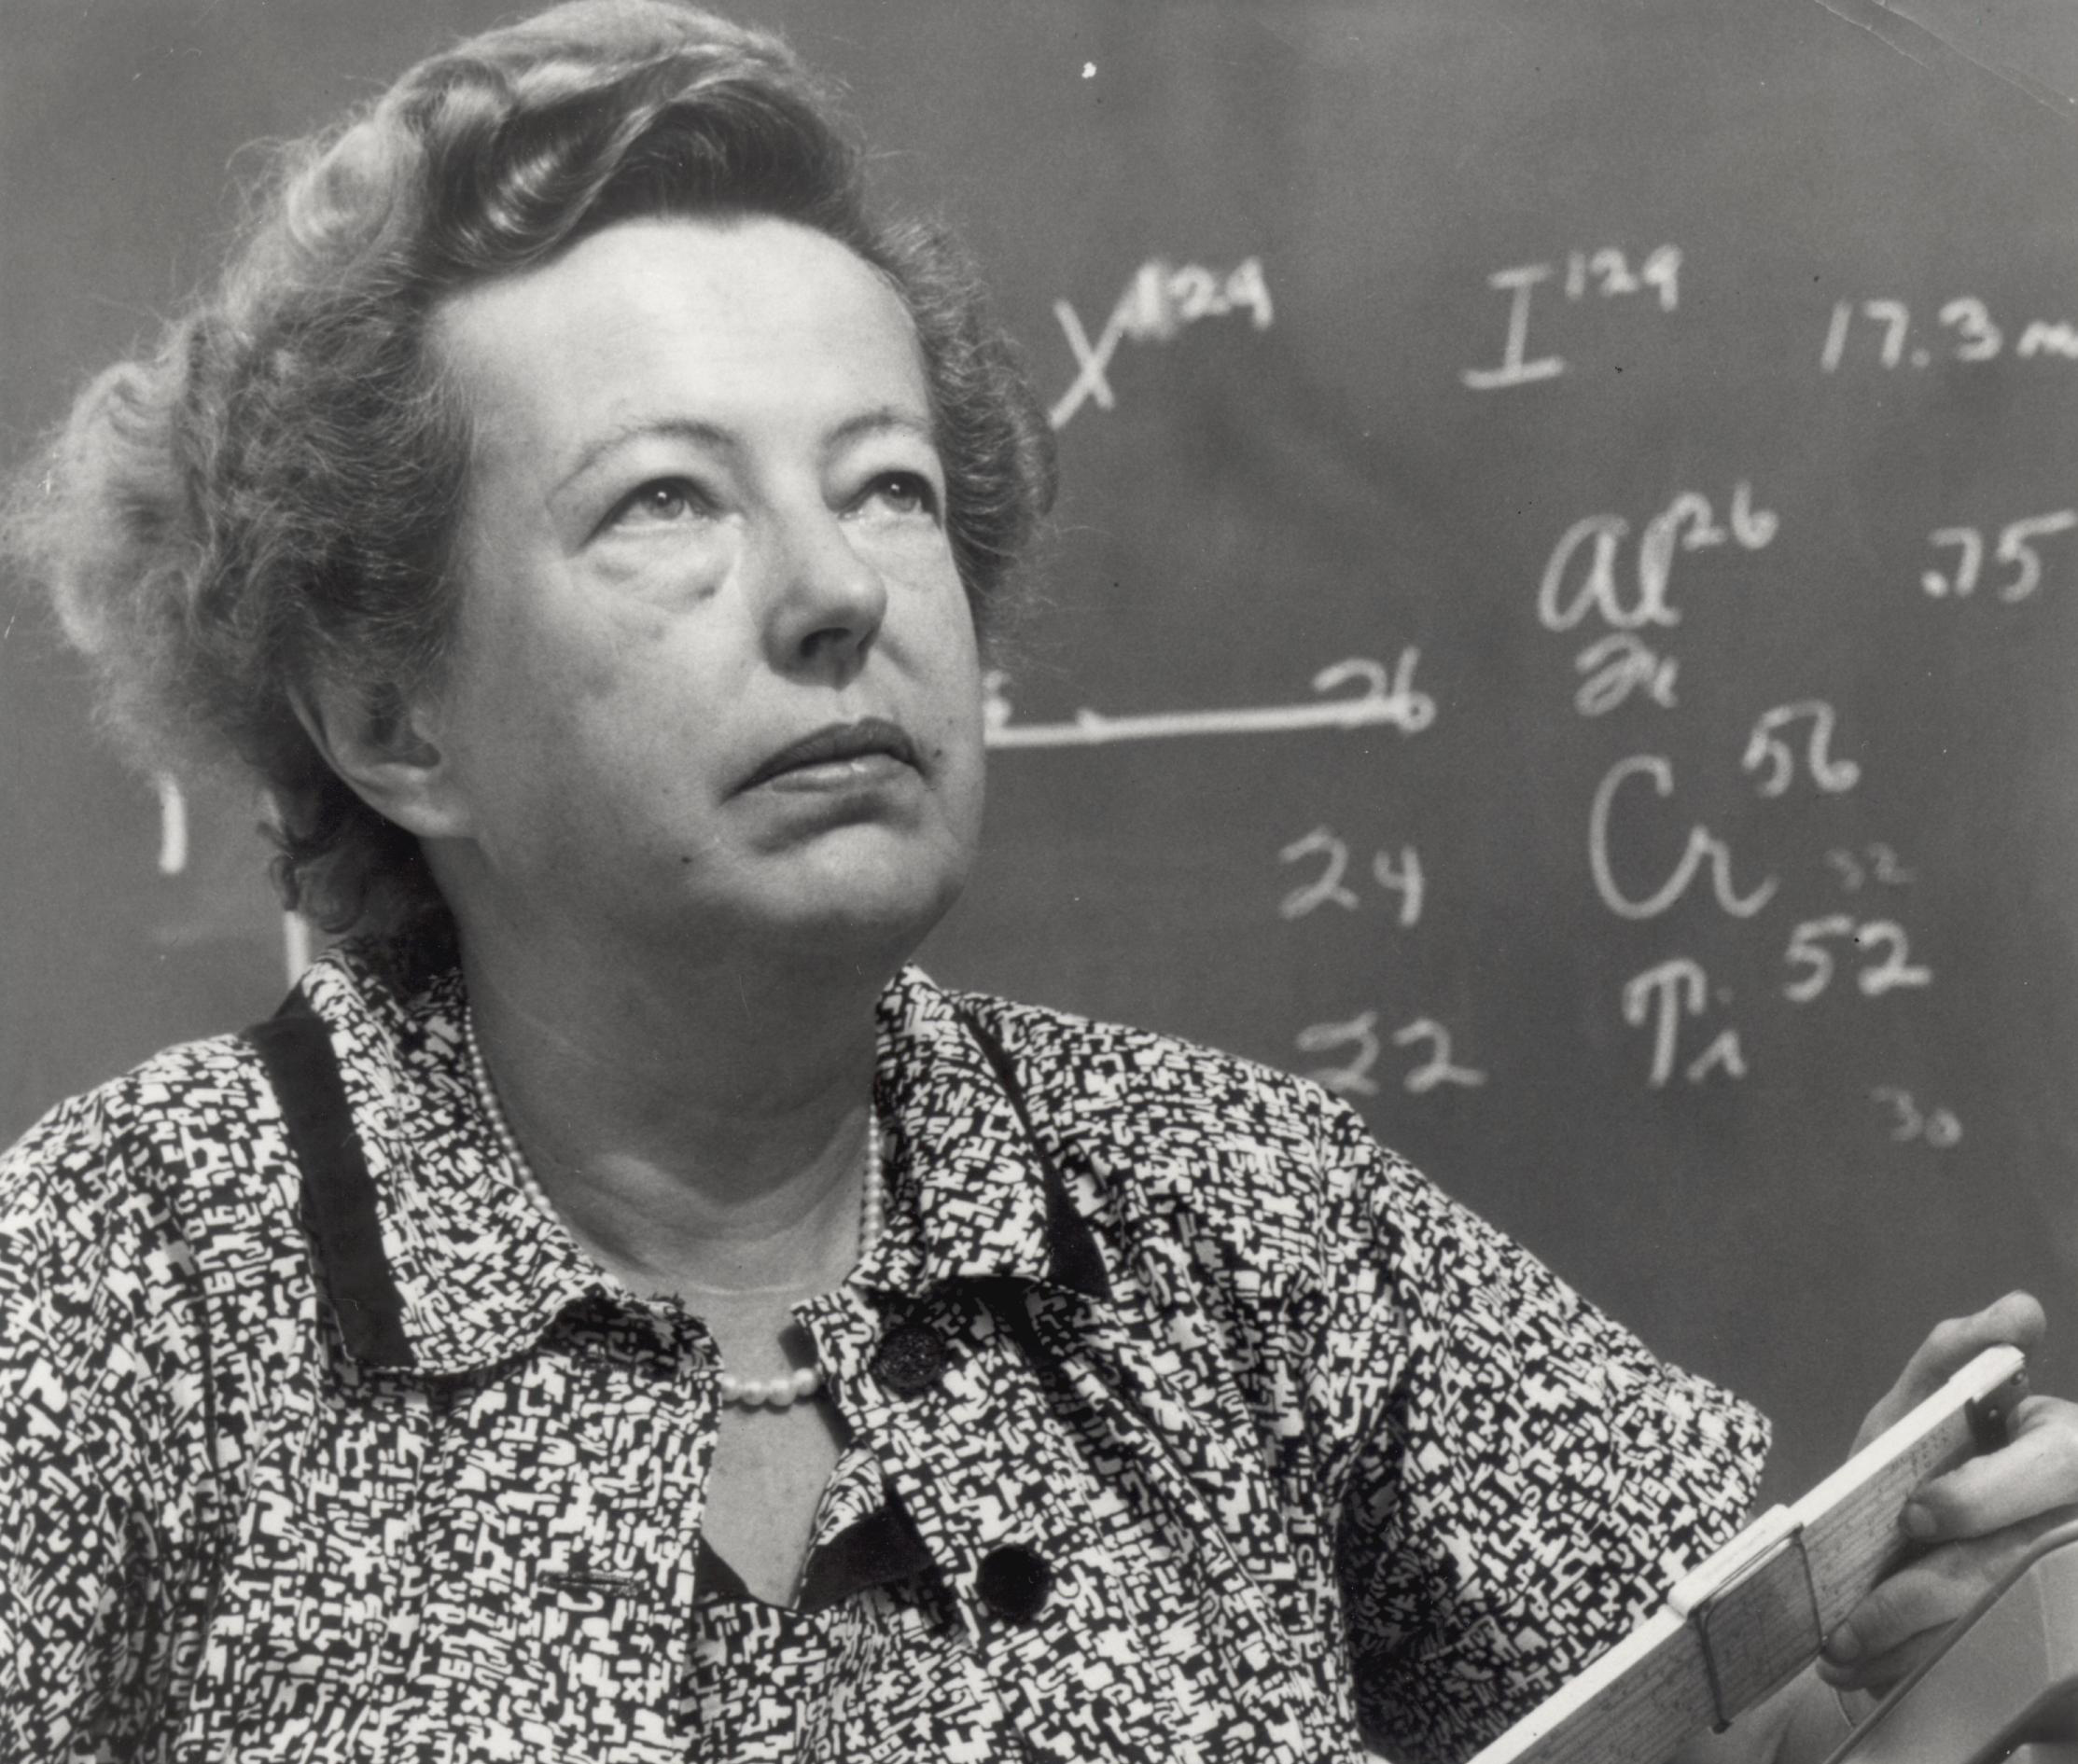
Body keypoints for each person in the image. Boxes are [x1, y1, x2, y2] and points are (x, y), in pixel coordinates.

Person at [1, 4, 2072, 1760]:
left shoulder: (1238, 1215)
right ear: (392, 716)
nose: (836, 591)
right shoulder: (110, 1294)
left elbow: (1738, 1715)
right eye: (666, 502)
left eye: (889, 486)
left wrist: (1880, 1661)